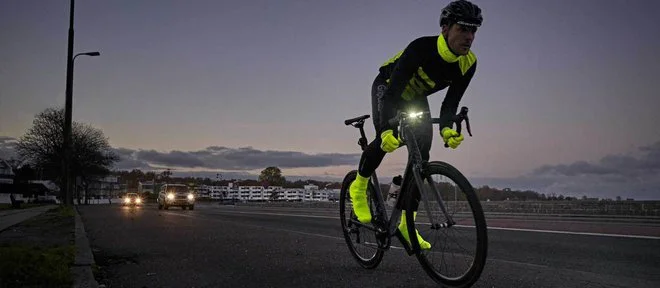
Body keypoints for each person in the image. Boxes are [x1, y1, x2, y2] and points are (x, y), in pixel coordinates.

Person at [349, 0, 483, 250]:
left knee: (422, 156)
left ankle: (404, 223)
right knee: (385, 139)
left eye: (473, 30)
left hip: (415, 98)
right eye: (463, 29)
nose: (469, 37)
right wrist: (387, 129)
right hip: (388, 87)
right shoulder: (421, 48)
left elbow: (450, 103)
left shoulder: (468, 63)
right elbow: (391, 94)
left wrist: (445, 129)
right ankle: (359, 186)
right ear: (445, 28)